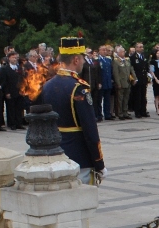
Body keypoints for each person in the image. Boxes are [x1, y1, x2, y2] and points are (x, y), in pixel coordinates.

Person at [40, 37, 105, 179]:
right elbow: (90, 130)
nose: (83, 61)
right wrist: (99, 163)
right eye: (82, 58)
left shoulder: (47, 86)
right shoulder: (79, 88)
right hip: (78, 157)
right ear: (76, 60)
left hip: (53, 154)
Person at [129, 42, 150, 116]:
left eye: (142, 47)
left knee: (143, 96)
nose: (142, 48)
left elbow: (146, 67)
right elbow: (131, 70)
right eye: (140, 47)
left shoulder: (144, 56)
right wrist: (133, 79)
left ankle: (143, 111)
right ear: (136, 48)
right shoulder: (133, 57)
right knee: (137, 96)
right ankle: (137, 112)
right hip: (137, 79)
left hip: (143, 78)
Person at [113, 45, 132, 121]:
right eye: (123, 51)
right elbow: (116, 74)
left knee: (126, 98)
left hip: (127, 82)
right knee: (120, 99)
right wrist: (118, 83)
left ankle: (125, 112)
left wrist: (134, 79)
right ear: (119, 52)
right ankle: (120, 113)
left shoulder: (126, 60)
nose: (124, 53)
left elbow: (130, 70)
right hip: (121, 82)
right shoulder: (116, 61)